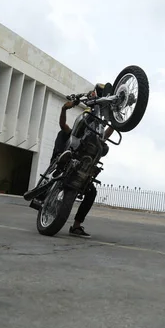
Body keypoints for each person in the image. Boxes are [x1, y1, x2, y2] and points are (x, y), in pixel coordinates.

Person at [51, 91, 114, 238]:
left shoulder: (96, 141)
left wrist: (115, 123)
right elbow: (62, 125)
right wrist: (64, 109)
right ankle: (60, 162)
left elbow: (105, 135)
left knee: (92, 192)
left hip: (82, 169)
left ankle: (76, 226)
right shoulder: (74, 135)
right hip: (68, 160)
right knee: (63, 134)